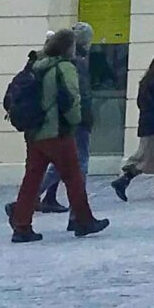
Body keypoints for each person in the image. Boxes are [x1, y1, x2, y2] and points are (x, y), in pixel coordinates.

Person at [5, 30, 108, 241]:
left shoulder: (38, 65)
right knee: (74, 177)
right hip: (57, 132)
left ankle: (22, 225)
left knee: (31, 180)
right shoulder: (64, 67)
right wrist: (75, 121)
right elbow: (71, 98)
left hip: (35, 132)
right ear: (69, 46)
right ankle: (84, 221)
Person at [35, 20, 95, 214]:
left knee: (60, 164)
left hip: (58, 122)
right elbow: (78, 94)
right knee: (77, 163)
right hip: (73, 121)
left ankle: (29, 201)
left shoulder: (57, 61)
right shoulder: (76, 63)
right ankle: (78, 214)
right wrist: (79, 118)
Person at [111, 53, 154, 202]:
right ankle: (124, 180)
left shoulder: (146, 81)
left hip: (148, 124)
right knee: (148, 158)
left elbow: (141, 103)